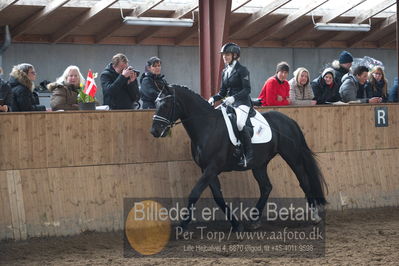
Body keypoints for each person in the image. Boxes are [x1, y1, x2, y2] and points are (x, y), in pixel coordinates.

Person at [207, 42, 253, 167]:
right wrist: (213, 98)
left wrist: (233, 98)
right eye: (223, 55)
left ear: (234, 55)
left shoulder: (242, 70)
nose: (224, 57)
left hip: (242, 103)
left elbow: (247, 90)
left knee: (239, 124)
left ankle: (248, 154)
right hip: (229, 103)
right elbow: (222, 92)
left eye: (227, 54)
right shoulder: (225, 71)